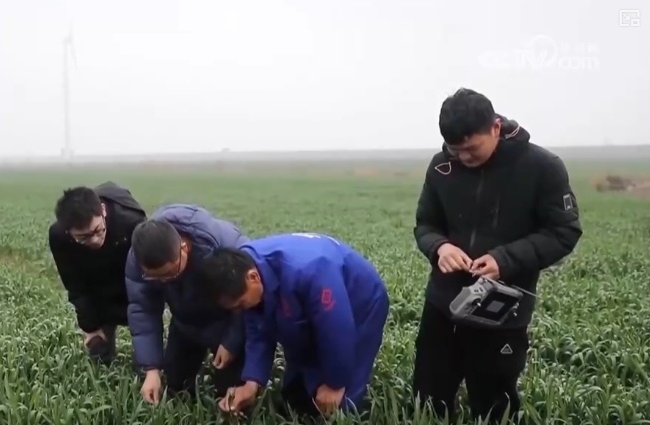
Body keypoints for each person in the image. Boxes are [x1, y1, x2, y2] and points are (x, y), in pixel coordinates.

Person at [412, 88, 583, 423]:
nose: (463, 157)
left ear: (495, 127)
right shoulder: (441, 166)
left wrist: (504, 260)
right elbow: (426, 224)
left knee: (494, 406)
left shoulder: (542, 167)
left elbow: (564, 232)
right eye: (455, 150)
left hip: (502, 310)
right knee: (428, 401)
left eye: (472, 149)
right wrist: (440, 247)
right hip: (443, 305)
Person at [197, 232, 390, 420]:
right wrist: (251, 383)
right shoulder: (243, 268)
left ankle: (347, 407)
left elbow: (337, 329)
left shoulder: (308, 271)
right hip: (313, 302)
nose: (241, 310)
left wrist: (335, 384)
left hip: (359, 302)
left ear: (253, 277)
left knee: (338, 402)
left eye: (240, 304)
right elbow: (258, 329)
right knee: (296, 397)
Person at [126, 204, 249, 405]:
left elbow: (247, 300)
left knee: (231, 394)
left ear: (184, 247)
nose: (164, 281)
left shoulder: (224, 247)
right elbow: (143, 309)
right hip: (185, 323)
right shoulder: (139, 257)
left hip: (227, 319)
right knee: (175, 387)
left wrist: (231, 342)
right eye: (155, 277)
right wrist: (151, 369)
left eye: (169, 273)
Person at [48, 182, 147, 365]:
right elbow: (75, 284)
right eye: (83, 237)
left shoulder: (132, 223)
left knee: (145, 355)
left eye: (97, 230)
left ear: (103, 211)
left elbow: (145, 282)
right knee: (99, 355)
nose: (94, 240)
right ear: (68, 231)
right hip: (96, 284)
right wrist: (90, 327)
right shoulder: (59, 236)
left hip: (130, 278)